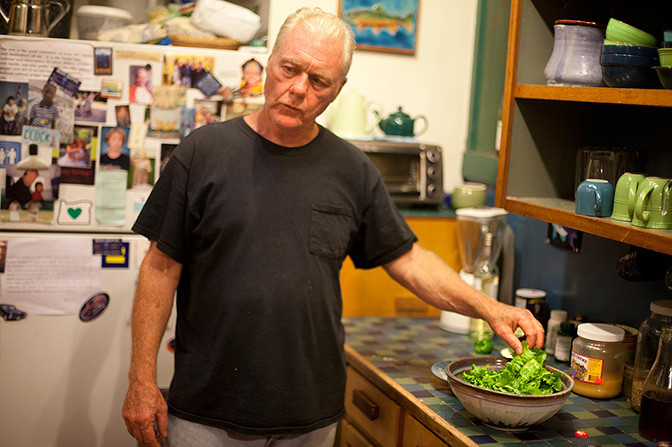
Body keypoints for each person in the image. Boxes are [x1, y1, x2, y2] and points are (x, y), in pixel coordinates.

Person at [122, 7, 544, 447]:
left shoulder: (352, 170)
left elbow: (411, 260)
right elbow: (159, 268)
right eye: (289, 69)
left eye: (318, 80)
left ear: (338, 90)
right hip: (207, 412)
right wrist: (141, 379)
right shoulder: (203, 152)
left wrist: (489, 308)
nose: (298, 90)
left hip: (311, 415)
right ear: (270, 61)